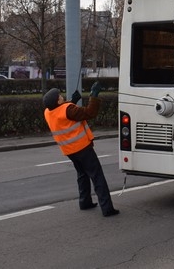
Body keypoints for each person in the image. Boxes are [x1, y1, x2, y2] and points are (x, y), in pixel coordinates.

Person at [43, 82, 119, 217]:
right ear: (58, 100)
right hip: (82, 148)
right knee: (97, 176)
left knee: (82, 174)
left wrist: (72, 101)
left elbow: (63, 115)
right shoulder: (68, 109)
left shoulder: (48, 112)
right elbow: (90, 113)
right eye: (60, 96)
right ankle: (107, 208)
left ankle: (85, 202)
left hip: (69, 151)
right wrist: (94, 95)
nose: (62, 96)